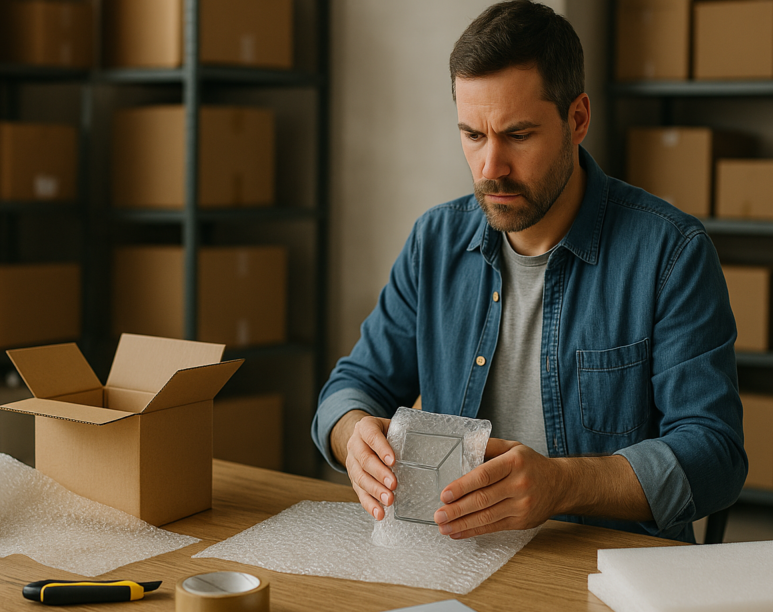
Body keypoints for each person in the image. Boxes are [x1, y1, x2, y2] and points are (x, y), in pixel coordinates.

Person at [311, 0, 746, 544]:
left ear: (577, 119)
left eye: (517, 135)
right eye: (473, 135)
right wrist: (354, 436)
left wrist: (563, 484)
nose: (490, 168)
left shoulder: (670, 253)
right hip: (460, 556)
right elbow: (350, 387)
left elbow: (716, 454)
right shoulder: (434, 242)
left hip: (614, 573)